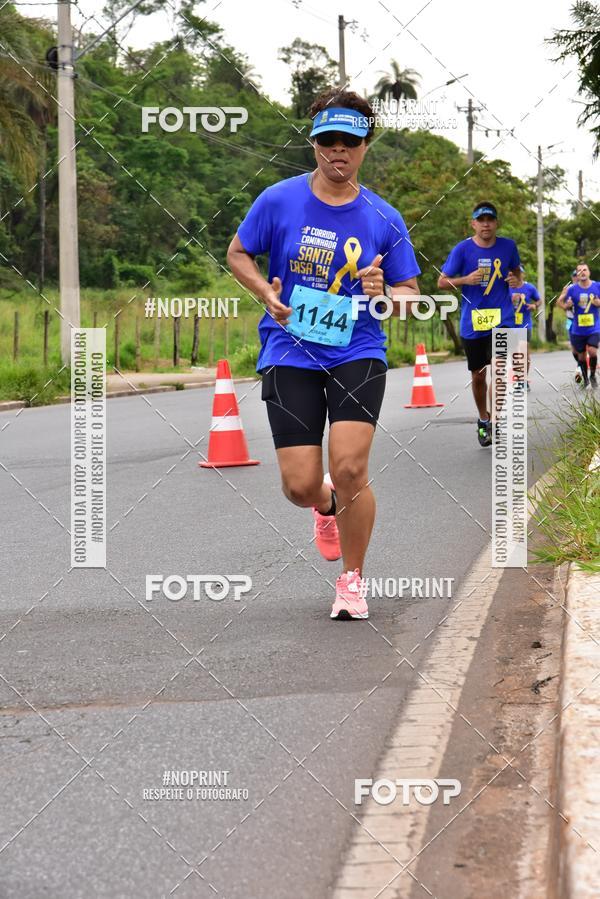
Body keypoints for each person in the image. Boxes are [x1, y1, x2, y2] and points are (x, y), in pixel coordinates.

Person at [227, 89, 420, 620]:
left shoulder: (383, 215)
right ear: (313, 145)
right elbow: (237, 252)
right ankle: (326, 504)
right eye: (328, 141)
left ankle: (352, 581)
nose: (339, 151)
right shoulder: (279, 200)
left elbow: (408, 297)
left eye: (350, 143)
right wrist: (263, 292)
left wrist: (384, 293)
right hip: (289, 351)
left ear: (364, 147)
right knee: (299, 485)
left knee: (352, 466)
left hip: (358, 348)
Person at [437, 202, 521, 447]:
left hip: (503, 319)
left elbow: (517, 272)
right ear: (473, 223)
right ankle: (483, 419)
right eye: (481, 220)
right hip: (473, 322)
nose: (486, 224)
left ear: (496, 223)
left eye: (490, 220)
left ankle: (495, 420)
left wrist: (516, 280)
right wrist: (466, 279)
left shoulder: (508, 247)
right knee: (478, 375)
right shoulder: (462, 250)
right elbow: (442, 282)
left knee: (501, 369)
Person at [558, 262, 600, 388]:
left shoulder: (597, 286)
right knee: (580, 356)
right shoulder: (572, 289)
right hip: (578, 328)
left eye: (585, 270)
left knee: (592, 352)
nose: (582, 272)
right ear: (577, 274)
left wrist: (599, 303)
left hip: (594, 327)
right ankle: (586, 378)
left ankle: (592, 375)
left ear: (589, 272)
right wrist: (566, 305)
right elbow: (559, 302)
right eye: (579, 270)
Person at [510, 265, 541, 390]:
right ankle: (519, 379)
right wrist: (510, 301)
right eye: (513, 273)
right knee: (514, 354)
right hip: (510, 324)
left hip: (525, 323)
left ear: (522, 274)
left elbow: (539, 301)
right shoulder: (506, 288)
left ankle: (524, 380)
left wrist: (534, 306)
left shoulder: (529, 287)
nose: (516, 276)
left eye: (519, 273)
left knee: (524, 352)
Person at [558, 269, 583, 382]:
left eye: (578, 275)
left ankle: (580, 368)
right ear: (572, 278)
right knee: (574, 348)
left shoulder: (586, 288)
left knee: (585, 346)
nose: (576, 277)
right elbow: (559, 303)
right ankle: (580, 365)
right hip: (571, 320)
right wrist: (566, 305)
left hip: (584, 321)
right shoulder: (567, 289)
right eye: (574, 276)